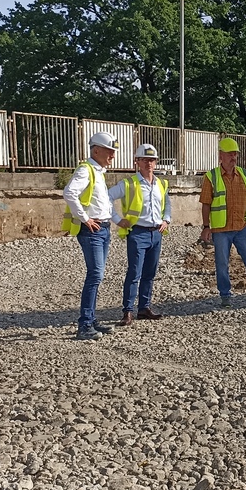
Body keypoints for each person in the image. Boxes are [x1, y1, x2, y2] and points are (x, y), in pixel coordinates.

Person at [200, 137, 246, 307]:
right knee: (222, 264)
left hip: (242, 228)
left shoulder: (245, 175)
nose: (233, 157)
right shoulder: (211, 177)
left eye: (235, 154)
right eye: (230, 154)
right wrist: (206, 227)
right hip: (221, 230)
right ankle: (225, 297)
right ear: (221, 156)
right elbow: (206, 203)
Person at [62, 131, 119, 340]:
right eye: (110, 151)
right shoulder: (86, 170)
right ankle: (85, 324)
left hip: (102, 229)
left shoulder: (98, 171)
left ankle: (91, 319)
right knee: (95, 275)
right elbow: (69, 193)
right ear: (96, 150)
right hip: (92, 231)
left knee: (97, 276)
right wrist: (86, 219)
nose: (113, 155)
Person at [109, 143, 172, 326]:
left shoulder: (161, 183)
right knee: (134, 273)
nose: (148, 163)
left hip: (156, 233)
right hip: (138, 233)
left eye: (152, 160)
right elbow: (107, 197)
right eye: (144, 160)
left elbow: (167, 204)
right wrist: (118, 220)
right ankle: (127, 311)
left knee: (150, 273)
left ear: (157, 162)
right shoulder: (129, 183)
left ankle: (144, 307)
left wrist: (166, 220)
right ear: (137, 161)